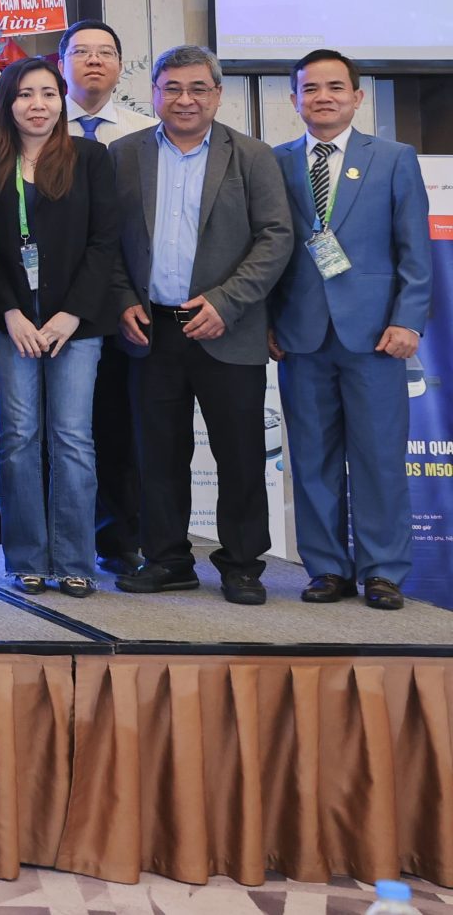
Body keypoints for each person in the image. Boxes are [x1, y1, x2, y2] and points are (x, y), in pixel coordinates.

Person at [109, 45, 293, 604]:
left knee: (240, 453)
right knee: (158, 453)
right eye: (172, 88)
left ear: (217, 94)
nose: (184, 99)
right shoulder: (124, 154)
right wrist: (122, 299)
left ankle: (242, 564)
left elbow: (276, 237)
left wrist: (226, 303)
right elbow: (106, 239)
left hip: (226, 326)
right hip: (151, 328)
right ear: (154, 94)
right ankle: (168, 559)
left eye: (197, 88)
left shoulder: (252, 155)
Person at [271, 50, 432, 610]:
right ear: (294, 99)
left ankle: (383, 570)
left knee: (379, 458)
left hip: (375, 336)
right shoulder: (274, 161)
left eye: (335, 87)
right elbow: (266, 250)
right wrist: (267, 322)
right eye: (310, 88)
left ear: (357, 97)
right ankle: (326, 569)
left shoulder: (393, 158)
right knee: (311, 459)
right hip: (300, 335)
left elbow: (415, 250)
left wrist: (408, 319)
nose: (323, 97)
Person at [0, 55, 120, 598]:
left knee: (72, 438)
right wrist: (10, 311)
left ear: (62, 101)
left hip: (75, 324)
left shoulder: (90, 157)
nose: (38, 105)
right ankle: (26, 558)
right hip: (12, 323)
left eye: (49, 94)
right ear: (7, 103)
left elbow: (105, 243)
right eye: (25, 94)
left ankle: (75, 559)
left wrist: (70, 314)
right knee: (17, 439)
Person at [60, 17, 145, 575]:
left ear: (119, 65)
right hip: (52, 305)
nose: (94, 60)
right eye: (81, 51)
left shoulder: (146, 132)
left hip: (123, 304)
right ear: (61, 63)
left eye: (105, 52)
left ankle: (117, 540)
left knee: (116, 424)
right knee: (56, 428)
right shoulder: (36, 125)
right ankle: (56, 539)